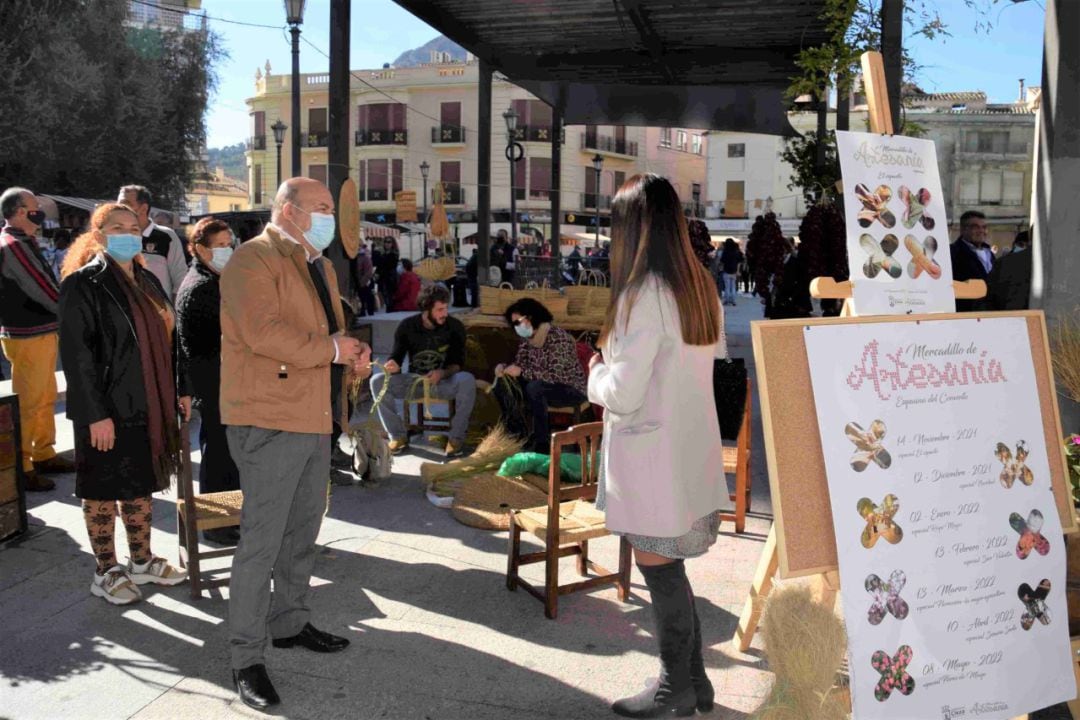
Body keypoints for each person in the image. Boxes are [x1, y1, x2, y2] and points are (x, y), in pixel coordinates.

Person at [219, 177, 371, 711]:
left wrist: (348, 353)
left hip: (312, 415)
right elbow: (262, 333)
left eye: (331, 207)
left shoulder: (319, 265)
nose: (331, 217)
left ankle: (289, 622)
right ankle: (245, 657)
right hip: (269, 419)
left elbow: (325, 334)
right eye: (322, 208)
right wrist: (331, 349)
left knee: (303, 530)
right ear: (287, 211)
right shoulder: (251, 260)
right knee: (260, 542)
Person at [588, 174, 727, 718]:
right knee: (672, 572)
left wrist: (595, 373)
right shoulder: (699, 286)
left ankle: (676, 687)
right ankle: (694, 681)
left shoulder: (641, 296)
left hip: (652, 464)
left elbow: (622, 393)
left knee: (662, 575)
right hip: (689, 456)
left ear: (632, 228)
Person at [58, 202, 191, 605]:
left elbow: (171, 338)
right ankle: (106, 570)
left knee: (138, 483)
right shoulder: (83, 283)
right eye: (117, 227)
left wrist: (180, 388)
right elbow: (77, 356)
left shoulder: (147, 279)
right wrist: (96, 415)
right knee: (101, 488)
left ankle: (142, 561)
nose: (129, 233)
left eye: (134, 226)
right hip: (105, 408)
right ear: (98, 235)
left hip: (145, 401)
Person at [0, 187, 75, 491]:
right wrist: (72, 314)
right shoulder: (13, 246)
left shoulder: (21, 242)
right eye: (34, 208)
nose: (39, 213)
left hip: (38, 333)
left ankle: (44, 452)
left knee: (44, 396)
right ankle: (23, 462)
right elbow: (42, 288)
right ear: (19, 212)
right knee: (31, 402)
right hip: (28, 334)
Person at [174, 217, 240, 545]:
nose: (227, 250)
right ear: (200, 249)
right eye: (220, 246)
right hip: (214, 384)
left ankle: (228, 518)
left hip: (224, 382)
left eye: (230, 244)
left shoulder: (216, 279)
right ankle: (217, 523)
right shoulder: (201, 287)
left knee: (228, 454)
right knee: (219, 456)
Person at [370, 284, 476, 458]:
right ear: (426, 309)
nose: (445, 314)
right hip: (414, 382)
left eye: (446, 308)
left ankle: (456, 439)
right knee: (377, 381)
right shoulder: (407, 326)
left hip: (443, 382)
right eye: (440, 309)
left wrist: (441, 373)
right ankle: (398, 436)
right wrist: (392, 366)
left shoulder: (455, 326)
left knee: (467, 380)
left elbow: (457, 364)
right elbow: (396, 357)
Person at [493, 298, 588, 453]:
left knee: (535, 388)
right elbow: (520, 364)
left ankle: (541, 443)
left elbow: (555, 375)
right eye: (514, 324)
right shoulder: (526, 340)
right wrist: (504, 369)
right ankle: (517, 434)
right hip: (539, 386)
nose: (516, 327)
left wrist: (522, 372)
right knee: (503, 385)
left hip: (570, 389)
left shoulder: (558, 337)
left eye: (518, 322)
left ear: (531, 317)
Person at [117, 185, 188, 300]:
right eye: (118, 204)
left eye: (125, 204)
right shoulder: (113, 237)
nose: (119, 209)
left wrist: (172, 314)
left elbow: (180, 279)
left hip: (158, 314)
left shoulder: (166, 237)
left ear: (143, 208)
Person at [950, 210, 995, 312]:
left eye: (984, 227)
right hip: (967, 313)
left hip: (990, 312)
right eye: (975, 227)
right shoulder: (952, 253)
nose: (981, 231)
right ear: (963, 230)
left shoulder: (989, 253)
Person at [987, 229, 1033, 311]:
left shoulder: (1002, 263)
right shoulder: (1002, 263)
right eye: (1021, 244)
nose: (1023, 249)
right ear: (1014, 244)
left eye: (1025, 246)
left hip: (1006, 315)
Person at [374, 237, 400, 312]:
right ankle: (388, 309)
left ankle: (390, 309)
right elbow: (377, 263)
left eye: (389, 242)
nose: (387, 244)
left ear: (392, 244)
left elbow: (388, 265)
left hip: (390, 277)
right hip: (383, 277)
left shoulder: (394, 254)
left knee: (389, 295)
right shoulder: (383, 253)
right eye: (385, 242)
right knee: (384, 294)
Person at [716, 238, 742, 306]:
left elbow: (722, 261)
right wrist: (738, 270)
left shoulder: (725, 252)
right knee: (733, 286)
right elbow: (739, 261)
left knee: (727, 286)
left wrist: (719, 268)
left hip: (726, 270)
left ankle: (727, 300)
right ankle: (733, 300)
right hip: (734, 271)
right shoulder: (736, 252)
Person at [353, 240, 376, 316]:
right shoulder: (354, 257)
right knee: (361, 299)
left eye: (359, 245)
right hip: (359, 282)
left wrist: (362, 282)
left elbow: (368, 272)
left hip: (365, 282)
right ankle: (362, 312)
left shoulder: (365, 257)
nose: (358, 247)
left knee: (368, 297)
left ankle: (370, 313)